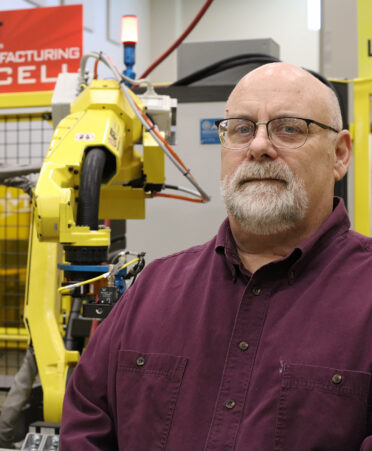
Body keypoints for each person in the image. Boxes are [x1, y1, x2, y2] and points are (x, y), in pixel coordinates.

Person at [60, 62, 372, 451]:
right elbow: (87, 420)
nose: (258, 146)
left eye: (288, 128)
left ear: (340, 154)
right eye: (242, 129)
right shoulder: (152, 290)